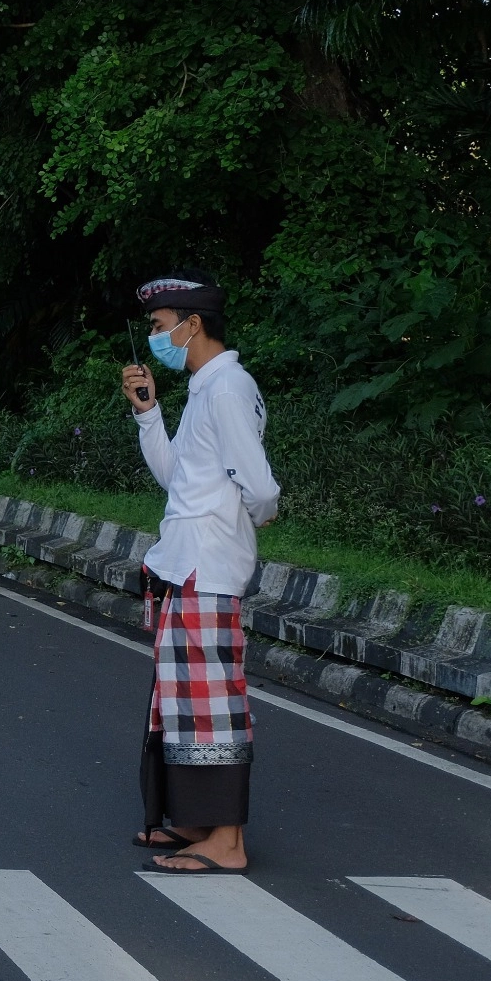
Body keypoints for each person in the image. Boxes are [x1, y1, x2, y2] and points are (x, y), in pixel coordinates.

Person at [119, 268, 279, 874]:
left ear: (193, 324)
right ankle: (194, 820)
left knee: (213, 701)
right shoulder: (205, 389)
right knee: (182, 700)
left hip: (206, 568)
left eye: (162, 327)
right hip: (183, 566)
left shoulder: (228, 388)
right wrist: (148, 414)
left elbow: (259, 486)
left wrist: (254, 517)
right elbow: (177, 480)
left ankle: (228, 841)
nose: (157, 339)